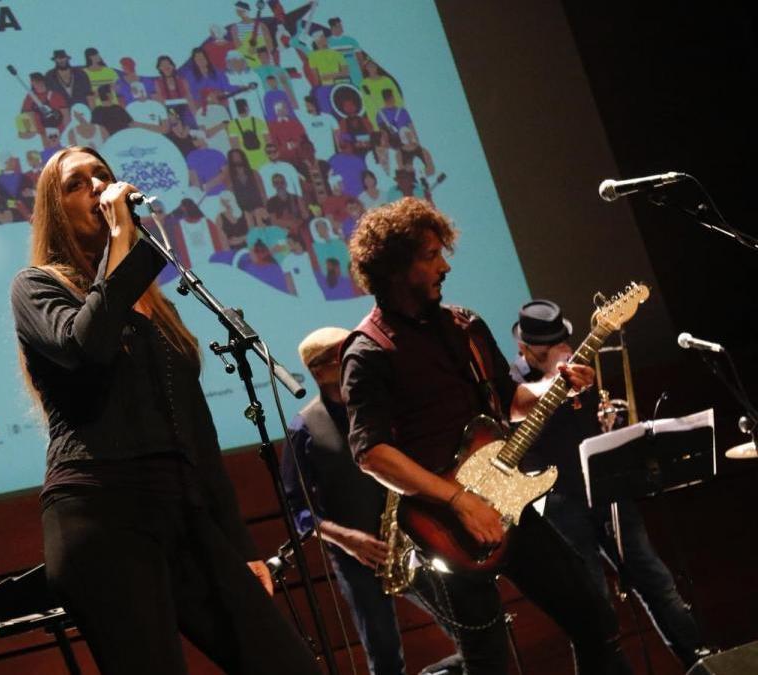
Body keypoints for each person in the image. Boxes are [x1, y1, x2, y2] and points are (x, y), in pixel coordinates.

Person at [8, 146, 318, 675]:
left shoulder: (155, 303)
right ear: (54, 210)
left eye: (102, 175)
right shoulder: (37, 286)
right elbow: (88, 347)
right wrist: (123, 243)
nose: (98, 187)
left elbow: (195, 429)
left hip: (183, 513)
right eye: (76, 183)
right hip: (102, 515)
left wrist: (240, 546)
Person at [342, 197, 633, 674]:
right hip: (443, 527)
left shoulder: (464, 325)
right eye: (431, 255)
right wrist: (458, 501)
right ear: (396, 267)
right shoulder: (368, 351)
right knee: (489, 662)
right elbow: (372, 454)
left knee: (593, 617)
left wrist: (555, 386)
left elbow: (508, 400)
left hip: (507, 501)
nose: (445, 265)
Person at [511, 300, 711, 670]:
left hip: (606, 489)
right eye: (544, 349)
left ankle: (701, 662)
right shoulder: (514, 385)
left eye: (560, 343)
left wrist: (608, 423)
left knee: (657, 581)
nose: (557, 353)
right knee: (593, 609)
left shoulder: (578, 367)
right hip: (559, 505)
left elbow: (588, 425)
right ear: (523, 350)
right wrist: (555, 382)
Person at [282, 327, 461, 675]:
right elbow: (297, 509)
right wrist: (346, 539)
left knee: (470, 633)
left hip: (415, 540)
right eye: (340, 355)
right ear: (319, 370)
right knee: (384, 658)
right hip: (358, 557)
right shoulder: (303, 427)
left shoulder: (384, 407)